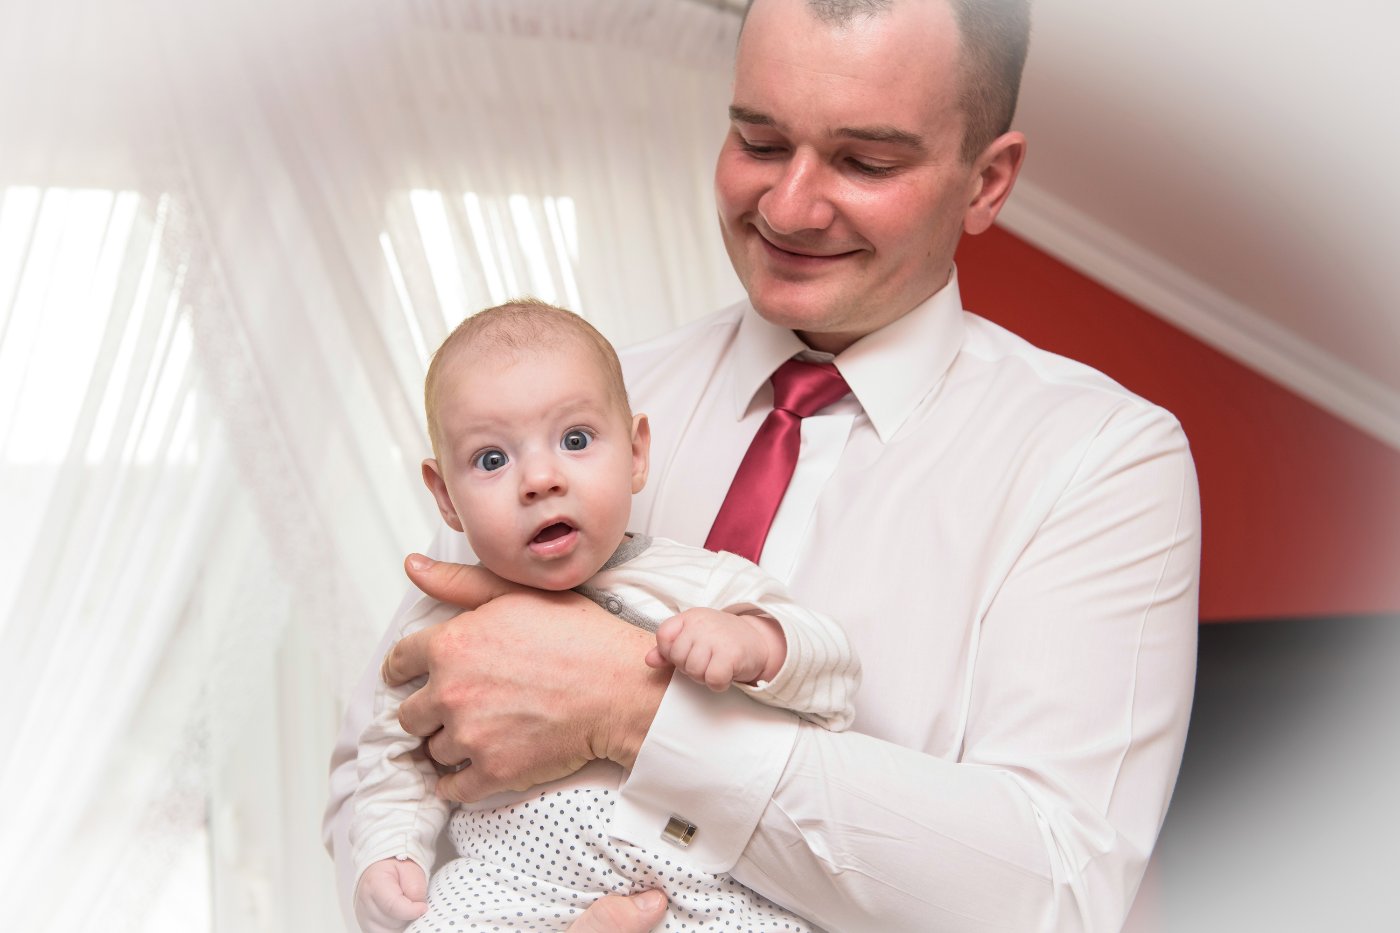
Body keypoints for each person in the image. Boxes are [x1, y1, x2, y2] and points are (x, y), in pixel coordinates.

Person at [326, 1, 1201, 930]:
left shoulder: (1101, 460)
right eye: (760, 141)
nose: (787, 208)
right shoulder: (567, 418)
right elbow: (376, 769)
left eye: (866, 162)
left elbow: (1054, 891)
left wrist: (630, 710)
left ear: (987, 182)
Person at [351, 299, 859, 933]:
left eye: (575, 440)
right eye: (491, 460)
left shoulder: (700, 580)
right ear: (445, 497)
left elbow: (836, 680)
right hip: (509, 879)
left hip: (698, 881)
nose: (540, 479)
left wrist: (757, 642)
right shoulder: (438, 630)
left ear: (637, 453)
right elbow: (395, 755)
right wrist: (390, 851)